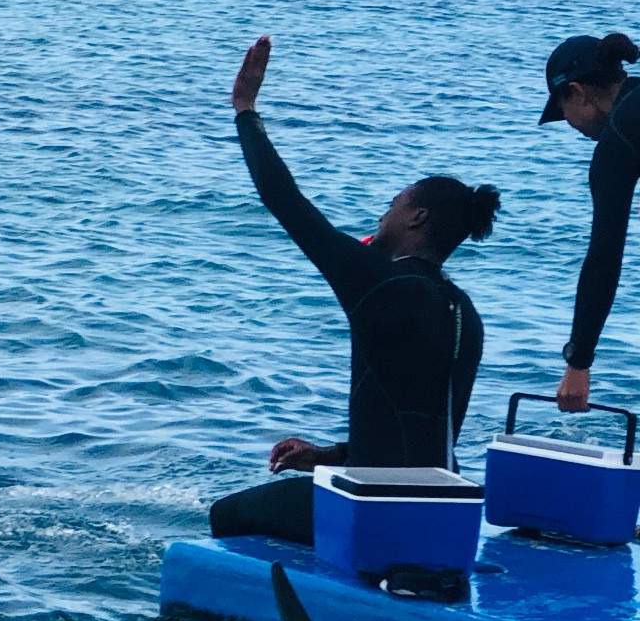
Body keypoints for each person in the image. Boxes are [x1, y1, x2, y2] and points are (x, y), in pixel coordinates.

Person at [208, 36, 499, 545]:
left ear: (417, 219)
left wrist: (246, 112)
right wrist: (328, 457)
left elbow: (287, 202)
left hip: (380, 505)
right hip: (443, 507)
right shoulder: (464, 311)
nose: (382, 215)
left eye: (392, 204)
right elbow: (422, 427)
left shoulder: (378, 281)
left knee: (227, 516)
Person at [538, 32, 640, 413]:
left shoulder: (618, 140)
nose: (570, 125)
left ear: (577, 92)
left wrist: (578, 362)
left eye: (561, 110)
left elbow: (604, 257)